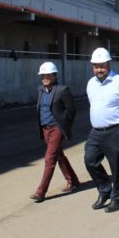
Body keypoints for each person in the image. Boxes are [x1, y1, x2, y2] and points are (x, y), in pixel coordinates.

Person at [85, 47, 119, 213]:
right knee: (90, 160)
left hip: (115, 130)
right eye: (96, 66)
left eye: (102, 66)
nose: (99, 69)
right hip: (96, 131)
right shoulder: (91, 83)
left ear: (109, 64)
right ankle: (104, 189)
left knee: (116, 165)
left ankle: (117, 198)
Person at [29, 62, 80, 203]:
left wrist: (64, 126)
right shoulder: (40, 90)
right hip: (45, 129)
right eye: (43, 75)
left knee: (49, 158)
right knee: (58, 155)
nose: (45, 77)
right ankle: (73, 180)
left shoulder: (62, 90)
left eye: (48, 75)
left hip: (57, 128)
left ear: (54, 76)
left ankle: (41, 192)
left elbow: (72, 110)